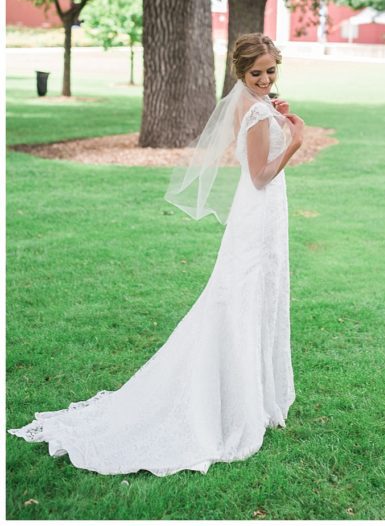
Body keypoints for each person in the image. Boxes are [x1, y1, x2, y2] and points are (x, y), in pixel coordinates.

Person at [9, 33, 305, 475]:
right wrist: (296, 139)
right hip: (259, 209)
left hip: (258, 212)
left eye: (270, 71)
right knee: (243, 298)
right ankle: (240, 402)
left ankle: (253, 394)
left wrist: (279, 118)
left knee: (252, 295)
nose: (264, 79)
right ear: (241, 73)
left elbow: (255, 150)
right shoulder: (256, 108)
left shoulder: (249, 102)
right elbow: (261, 174)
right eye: (256, 73)